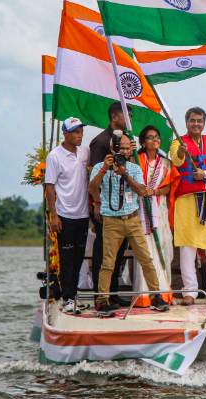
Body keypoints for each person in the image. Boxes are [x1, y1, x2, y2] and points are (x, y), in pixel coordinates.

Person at [89, 132, 169, 315]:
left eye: (127, 148)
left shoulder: (133, 168)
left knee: (146, 260)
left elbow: (142, 191)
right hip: (111, 221)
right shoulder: (100, 167)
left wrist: (125, 174)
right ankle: (102, 301)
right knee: (107, 263)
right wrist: (104, 170)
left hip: (132, 220)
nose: (124, 152)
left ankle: (156, 297)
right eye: (121, 148)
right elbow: (91, 189)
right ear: (112, 149)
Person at [169, 107, 206, 305]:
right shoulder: (178, 142)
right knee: (187, 246)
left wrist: (205, 174)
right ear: (186, 122)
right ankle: (190, 292)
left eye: (200, 120)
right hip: (186, 199)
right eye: (192, 120)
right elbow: (176, 161)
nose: (196, 124)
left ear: (204, 123)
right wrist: (180, 151)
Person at [87, 102, 137, 308]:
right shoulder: (100, 142)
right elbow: (93, 174)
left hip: (124, 207)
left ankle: (114, 293)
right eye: (127, 116)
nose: (130, 120)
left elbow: (131, 171)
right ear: (115, 117)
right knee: (103, 253)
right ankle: (101, 296)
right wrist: (96, 204)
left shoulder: (127, 141)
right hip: (104, 207)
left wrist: (131, 152)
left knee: (119, 253)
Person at [45, 117, 91, 314]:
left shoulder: (85, 151)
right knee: (66, 258)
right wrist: (53, 216)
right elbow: (49, 186)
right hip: (64, 215)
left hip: (83, 214)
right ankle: (67, 299)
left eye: (81, 131)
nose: (79, 135)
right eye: (75, 132)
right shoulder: (54, 156)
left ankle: (74, 296)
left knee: (79, 257)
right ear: (65, 133)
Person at [134, 125, 174, 307]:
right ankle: (145, 295)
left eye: (157, 136)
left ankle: (163, 292)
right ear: (143, 142)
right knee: (145, 250)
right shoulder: (135, 160)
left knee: (163, 248)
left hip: (159, 209)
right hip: (140, 209)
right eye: (150, 137)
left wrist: (153, 191)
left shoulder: (165, 163)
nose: (155, 139)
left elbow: (168, 187)